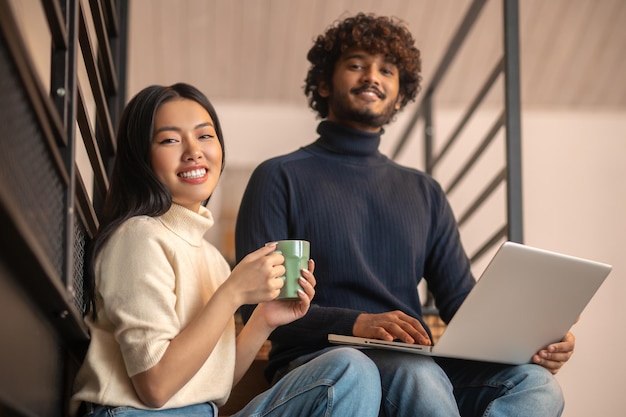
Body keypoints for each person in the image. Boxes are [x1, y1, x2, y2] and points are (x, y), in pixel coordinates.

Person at [235, 13, 575, 417]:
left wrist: (532, 339)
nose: (372, 76)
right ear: (324, 82)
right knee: (417, 372)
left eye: (387, 69)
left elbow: (460, 302)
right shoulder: (279, 176)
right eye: (357, 64)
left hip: (415, 363)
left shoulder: (424, 191)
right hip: (323, 365)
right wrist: (358, 323)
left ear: (399, 95)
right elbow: (256, 306)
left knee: (537, 386)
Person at [70, 83, 382, 417]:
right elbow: (156, 386)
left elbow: (211, 384)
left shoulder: (211, 257)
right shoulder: (138, 237)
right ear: (141, 160)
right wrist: (232, 292)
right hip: (134, 413)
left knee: (351, 368)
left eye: (205, 136)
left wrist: (263, 319)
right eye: (170, 140)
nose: (193, 151)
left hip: (199, 412)